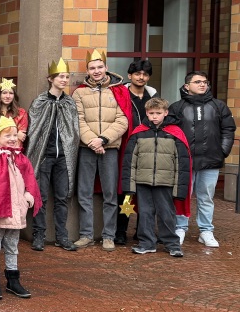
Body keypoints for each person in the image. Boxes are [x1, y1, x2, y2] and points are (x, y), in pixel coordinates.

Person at [0, 117, 42, 300]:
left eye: (14, 135)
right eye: (7, 135)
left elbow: (30, 179)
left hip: (16, 210)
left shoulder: (20, 158)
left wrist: (29, 196)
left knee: (12, 246)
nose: (12, 139)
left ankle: (13, 280)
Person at [169, 70, 235, 247]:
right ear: (187, 86)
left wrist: (222, 151)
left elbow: (228, 129)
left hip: (210, 160)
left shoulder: (219, 106)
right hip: (184, 161)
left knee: (206, 197)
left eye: (205, 82)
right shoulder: (177, 107)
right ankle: (180, 228)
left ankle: (206, 231)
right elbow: (170, 132)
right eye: (197, 82)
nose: (202, 84)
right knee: (181, 196)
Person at [72, 49, 129, 251]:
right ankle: (86, 234)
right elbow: (77, 120)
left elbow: (123, 120)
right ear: (87, 70)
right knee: (84, 192)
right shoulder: (79, 93)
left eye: (99, 67)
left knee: (110, 194)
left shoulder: (119, 91)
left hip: (109, 148)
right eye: (92, 68)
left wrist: (103, 139)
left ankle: (108, 235)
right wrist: (92, 141)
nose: (96, 71)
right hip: (87, 148)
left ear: (106, 68)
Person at [121, 97, 191, 257]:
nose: (154, 116)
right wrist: (129, 186)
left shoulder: (175, 133)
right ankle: (147, 243)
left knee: (167, 214)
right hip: (142, 181)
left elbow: (182, 162)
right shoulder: (139, 133)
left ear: (166, 113)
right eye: (151, 113)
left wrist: (180, 188)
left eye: (158, 113)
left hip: (165, 182)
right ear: (146, 113)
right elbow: (130, 161)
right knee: (145, 214)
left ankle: (171, 244)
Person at [26, 58, 80, 252]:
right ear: (50, 79)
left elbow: (73, 131)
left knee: (62, 197)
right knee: (40, 196)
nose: (64, 80)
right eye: (60, 77)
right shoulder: (40, 102)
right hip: (44, 156)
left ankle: (62, 236)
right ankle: (39, 234)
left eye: (66, 76)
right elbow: (34, 130)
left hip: (63, 157)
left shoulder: (69, 103)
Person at [115, 58, 157, 245]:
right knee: (127, 192)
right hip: (127, 148)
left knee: (146, 192)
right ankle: (121, 230)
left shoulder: (152, 97)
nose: (141, 77)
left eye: (145, 74)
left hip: (148, 151)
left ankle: (142, 231)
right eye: (138, 73)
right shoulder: (122, 95)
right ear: (130, 75)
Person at [0, 78, 28, 145]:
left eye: (11, 93)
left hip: (14, 148)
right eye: (4, 93)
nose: (8, 96)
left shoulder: (21, 113)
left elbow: (21, 137)